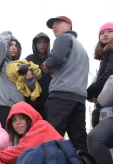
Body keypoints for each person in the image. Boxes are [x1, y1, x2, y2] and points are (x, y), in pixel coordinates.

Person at [42, 16, 89, 152]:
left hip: (61, 96)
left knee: (52, 139)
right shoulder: (81, 48)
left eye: (58, 23)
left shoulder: (63, 38)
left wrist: (46, 64)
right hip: (78, 99)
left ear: (69, 26)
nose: (54, 26)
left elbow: (56, 59)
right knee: (79, 141)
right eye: (53, 25)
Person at [0, 102, 64, 164]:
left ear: (30, 117)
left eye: (22, 118)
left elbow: (22, 151)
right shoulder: (23, 140)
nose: (17, 122)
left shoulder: (41, 126)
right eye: (14, 119)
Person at [87, 21, 113, 127]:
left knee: (99, 136)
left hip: (112, 103)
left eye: (110, 31)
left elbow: (109, 76)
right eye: (102, 33)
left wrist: (89, 92)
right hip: (105, 101)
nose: (105, 34)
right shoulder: (108, 54)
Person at [0, 31, 23, 128]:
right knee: (3, 139)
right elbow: (1, 43)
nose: (14, 48)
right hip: (3, 107)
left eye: (16, 45)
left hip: (19, 109)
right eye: (10, 45)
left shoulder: (20, 65)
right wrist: (9, 34)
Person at [26, 32, 52, 119]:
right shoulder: (29, 59)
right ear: (35, 45)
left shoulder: (52, 59)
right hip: (33, 100)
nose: (42, 45)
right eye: (39, 42)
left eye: (45, 42)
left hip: (50, 100)